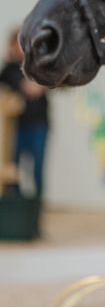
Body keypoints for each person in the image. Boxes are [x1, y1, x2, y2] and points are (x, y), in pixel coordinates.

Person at [0, 26, 49, 198]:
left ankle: (35, 207)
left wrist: (41, 87)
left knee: (37, 168)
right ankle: (15, 203)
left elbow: (57, 84)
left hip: (39, 123)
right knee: (13, 167)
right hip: (17, 125)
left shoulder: (39, 67)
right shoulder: (9, 69)